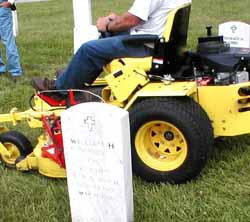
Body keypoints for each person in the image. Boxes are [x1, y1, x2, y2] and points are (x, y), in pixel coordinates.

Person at [32, 0, 191, 92]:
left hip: (147, 45)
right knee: (109, 35)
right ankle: (74, 75)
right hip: (160, 43)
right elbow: (143, 18)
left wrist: (107, 25)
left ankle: (60, 89)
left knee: (89, 49)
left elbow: (131, 21)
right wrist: (116, 20)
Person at [0, 0, 22, 78]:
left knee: (9, 42)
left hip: (2, 8)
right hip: (3, 8)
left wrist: (10, 2)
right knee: (9, 42)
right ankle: (3, 70)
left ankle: (15, 72)